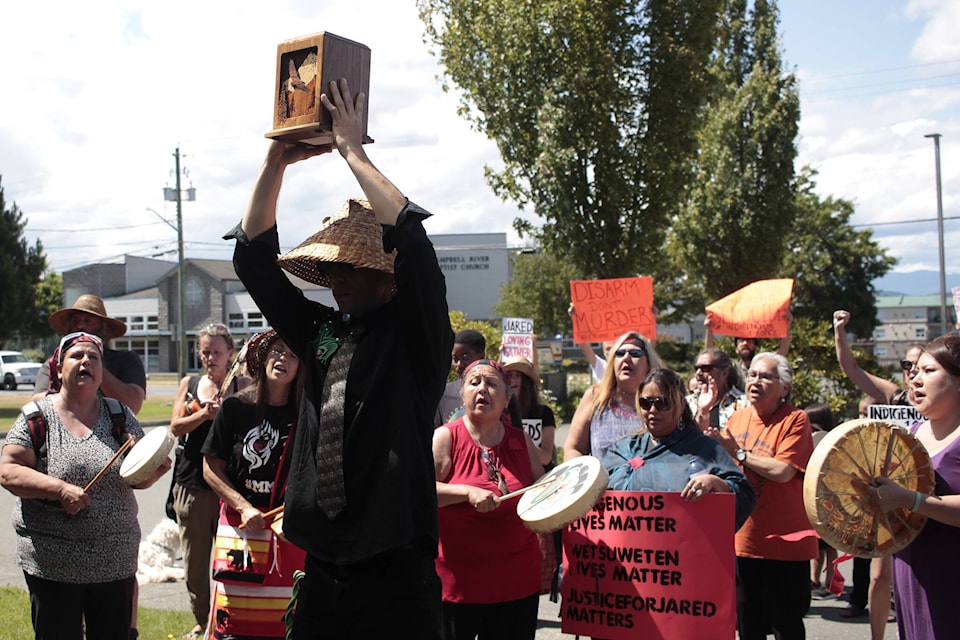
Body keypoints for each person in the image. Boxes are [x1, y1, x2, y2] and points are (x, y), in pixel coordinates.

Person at [227, 78, 454, 639]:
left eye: (350, 266)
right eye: (329, 268)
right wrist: (276, 160)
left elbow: (414, 246)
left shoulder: (416, 337)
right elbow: (255, 261)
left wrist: (352, 150)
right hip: (324, 564)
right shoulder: (321, 330)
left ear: (386, 277)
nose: (334, 278)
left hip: (396, 564)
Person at [0, 332, 169, 639]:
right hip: (52, 567)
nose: (86, 362)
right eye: (76, 356)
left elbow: (135, 478)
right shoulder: (37, 418)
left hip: (114, 565)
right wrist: (59, 489)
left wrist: (153, 471)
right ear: (59, 368)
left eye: (94, 358)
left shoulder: (119, 416)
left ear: (101, 371)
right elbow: (8, 471)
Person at [202, 329, 306, 639]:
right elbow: (210, 468)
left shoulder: (307, 412)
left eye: (292, 354)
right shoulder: (235, 408)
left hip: (286, 533)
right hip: (241, 527)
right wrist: (243, 507)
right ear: (262, 359)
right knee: (234, 624)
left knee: (284, 624)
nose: (282, 359)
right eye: (276, 351)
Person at [706, 352, 816, 640]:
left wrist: (739, 453)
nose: (756, 381)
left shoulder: (795, 420)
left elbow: (782, 471)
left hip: (786, 545)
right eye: (752, 374)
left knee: (786, 626)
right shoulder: (738, 419)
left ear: (785, 388)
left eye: (766, 376)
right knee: (748, 626)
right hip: (744, 543)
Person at [433, 359, 544, 640]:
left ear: (507, 399)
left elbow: (544, 491)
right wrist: (466, 492)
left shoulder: (522, 442)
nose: (482, 389)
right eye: (474, 383)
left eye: (492, 383)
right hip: (459, 585)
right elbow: (419, 492)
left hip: (517, 582)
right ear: (463, 394)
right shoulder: (446, 437)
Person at [872, 334, 960, 640]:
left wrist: (910, 499)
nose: (915, 379)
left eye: (928, 371)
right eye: (914, 370)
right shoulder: (912, 432)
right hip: (911, 569)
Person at [833, 308, 916, 632]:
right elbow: (852, 369)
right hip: (892, 501)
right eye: (906, 365)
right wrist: (840, 332)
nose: (911, 372)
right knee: (880, 577)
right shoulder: (896, 398)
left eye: (920, 366)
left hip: (924, 497)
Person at [171, 323, 249, 640]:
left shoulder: (243, 384)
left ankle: (231, 618)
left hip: (232, 484)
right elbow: (176, 427)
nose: (210, 357)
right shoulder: (190, 383)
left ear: (230, 352)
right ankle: (202, 621)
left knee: (233, 558)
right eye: (205, 351)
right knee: (195, 559)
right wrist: (203, 415)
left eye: (217, 351)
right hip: (192, 481)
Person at [603, 368, 755, 530]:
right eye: (646, 403)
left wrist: (716, 483)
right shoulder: (623, 449)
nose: (653, 410)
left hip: (685, 548)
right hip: (632, 548)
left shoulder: (705, 449)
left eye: (662, 403)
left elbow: (745, 496)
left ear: (681, 405)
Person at [33, 293, 146, 413]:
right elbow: (36, 403)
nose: (80, 326)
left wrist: (96, 367)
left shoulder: (126, 360)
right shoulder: (55, 363)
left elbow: (133, 405)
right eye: (75, 321)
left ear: (104, 328)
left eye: (88, 321)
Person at [563, 332, 662, 463]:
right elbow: (573, 449)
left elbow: (690, 442)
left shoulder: (664, 400)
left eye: (635, 354)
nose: (626, 358)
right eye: (620, 353)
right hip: (603, 482)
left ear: (649, 363)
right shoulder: (595, 396)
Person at [803, 404, 839, 599]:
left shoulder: (826, 441)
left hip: (828, 501)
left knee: (829, 546)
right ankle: (815, 581)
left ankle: (831, 584)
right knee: (818, 546)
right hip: (816, 500)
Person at [503, 356, 556, 470]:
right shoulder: (499, 414)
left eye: (518, 375)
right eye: (509, 375)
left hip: (541, 478)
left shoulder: (544, 413)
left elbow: (546, 457)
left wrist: (521, 439)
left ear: (527, 382)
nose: (512, 380)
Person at [704, 314, 792, 381]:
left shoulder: (764, 365)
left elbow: (782, 351)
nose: (745, 343)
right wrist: (709, 330)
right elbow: (711, 355)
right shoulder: (731, 368)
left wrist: (786, 327)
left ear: (756, 346)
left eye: (749, 340)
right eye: (741, 340)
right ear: (736, 348)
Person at [686, 348, 748, 431]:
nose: (698, 373)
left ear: (725, 373)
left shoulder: (744, 403)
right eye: (696, 368)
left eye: (705, 368)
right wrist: (702, 412)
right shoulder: (686, 403)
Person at [435, 330, 487, 427]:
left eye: (465, 358)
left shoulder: (497, 393)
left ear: (481, 357)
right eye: (455, 359)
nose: (459, 364)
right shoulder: (444, 392)